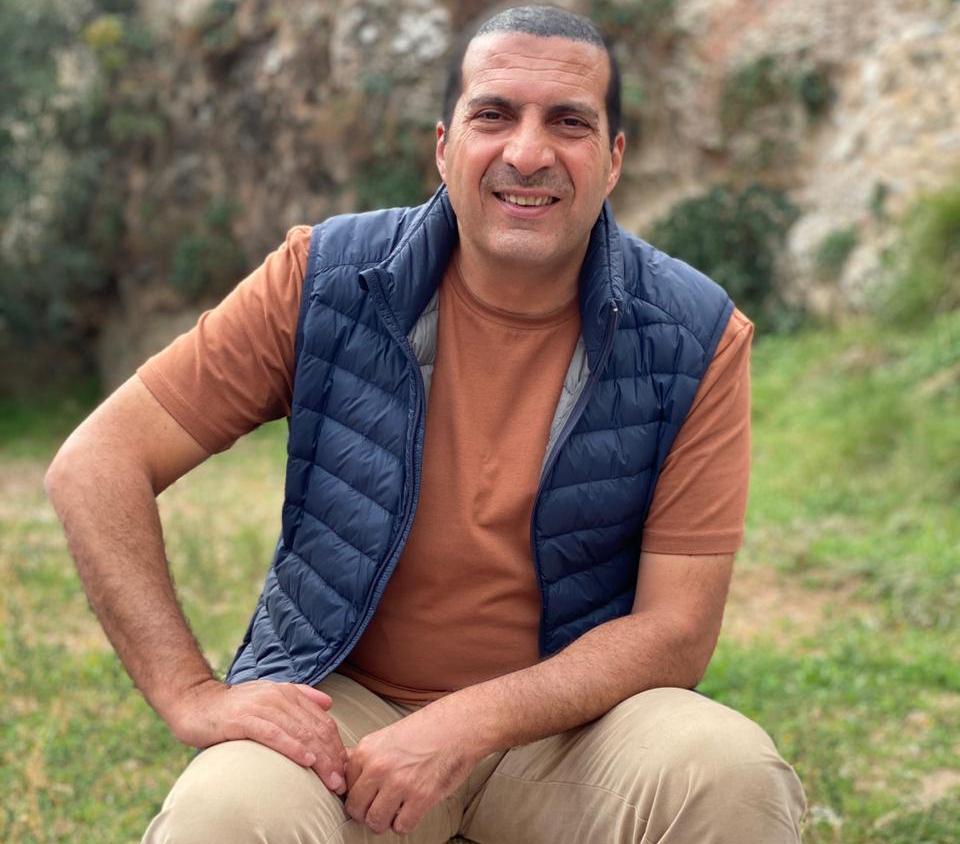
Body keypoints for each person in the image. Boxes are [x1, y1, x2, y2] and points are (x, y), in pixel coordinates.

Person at [46, 5, 805, 842]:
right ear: (443, 146)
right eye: (494, 115)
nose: (528, 152)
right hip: (345, 721)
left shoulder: (694, 334)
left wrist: (466, 724)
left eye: (568, 122)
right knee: (225, 813)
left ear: (613, 159)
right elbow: (98, 462)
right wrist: (189, 692)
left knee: (729, 775)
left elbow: (675, 632)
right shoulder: (326, 280)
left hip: (571, 732)